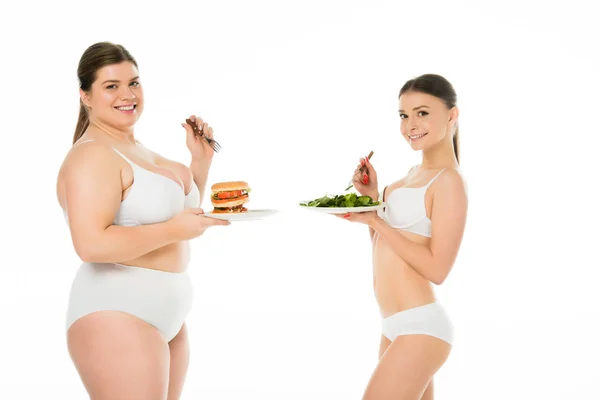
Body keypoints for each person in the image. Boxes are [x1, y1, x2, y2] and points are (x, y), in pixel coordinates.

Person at [55, 42, 230, 400]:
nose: (127, 94)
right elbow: (90, 245)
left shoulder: (135, 149)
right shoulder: (91, 155)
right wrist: (173, 231)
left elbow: (173, 214)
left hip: (165, 318)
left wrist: (200, 163)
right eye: (111, 86)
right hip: (116, 313)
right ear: (85, 96)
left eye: (134, 83)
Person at [339, 74, 468, 399]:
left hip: (421, 327)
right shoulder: (407, 178)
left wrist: (379, 222)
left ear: (452, 115)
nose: (410, 124)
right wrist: (371, 199)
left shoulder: (448, 181)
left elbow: (438, 270)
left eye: (422, 112)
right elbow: (381, 247)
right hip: (392, 325)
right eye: (404, 115)